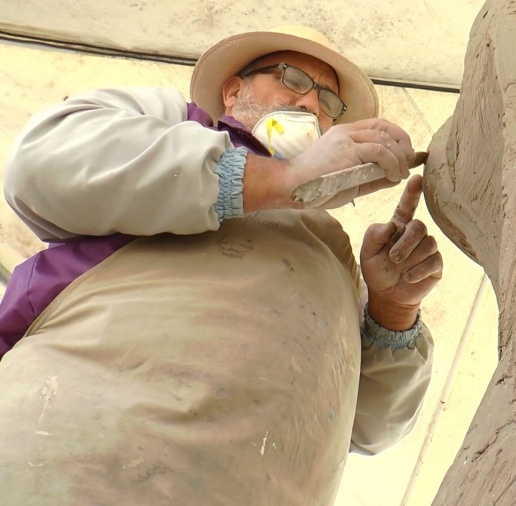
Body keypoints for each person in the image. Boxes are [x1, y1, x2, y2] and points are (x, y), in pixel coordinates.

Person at [0, 26, 441, 504]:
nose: (312, 105)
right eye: (292, 79)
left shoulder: (334, 255)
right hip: (74, 460)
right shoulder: (175, 123)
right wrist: (283, 178)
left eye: (329, 102)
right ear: (234, 90)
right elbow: (43, 164)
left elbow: (372, 428)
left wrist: (393, 309)